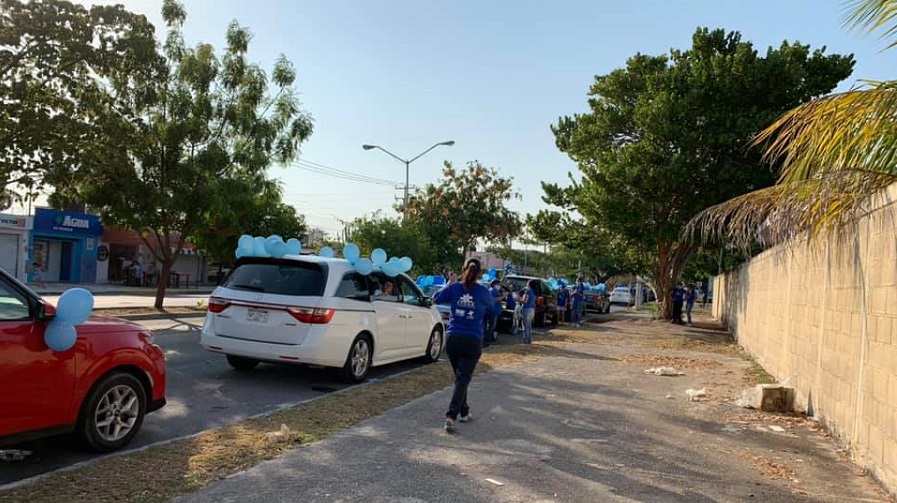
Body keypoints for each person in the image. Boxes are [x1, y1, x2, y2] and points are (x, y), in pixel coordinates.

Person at [433, 257, 492, 433]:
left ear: (463, 269)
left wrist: (449, 283)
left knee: (461, 378)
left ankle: (464, 412)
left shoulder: (454, 287)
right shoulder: (483, 292)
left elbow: (435, 298)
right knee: (463, 378)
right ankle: (451, 416)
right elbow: (491, 308)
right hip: (472, 339)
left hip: (453, 338)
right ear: (480, 272)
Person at [483, 279, 503, 347]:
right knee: (491, 326)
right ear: (494, 284)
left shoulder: (495, 291)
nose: (499, 286)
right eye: (498, 284)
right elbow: (494, 300)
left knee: (491, 326)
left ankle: (488, 338)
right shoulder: (491, 290)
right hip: (491, 311)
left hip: (493, 310)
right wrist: (503, 296)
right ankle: (487, 339)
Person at [519, 279, 537, 344]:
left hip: (526, 309)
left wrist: (518, 299)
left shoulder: (527, 291)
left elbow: (525, 301)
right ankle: (529, 339)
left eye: (527, 283)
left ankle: (525, 340)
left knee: (525, 326)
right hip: (532, 309)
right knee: (529, 325)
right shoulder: (534, 292)